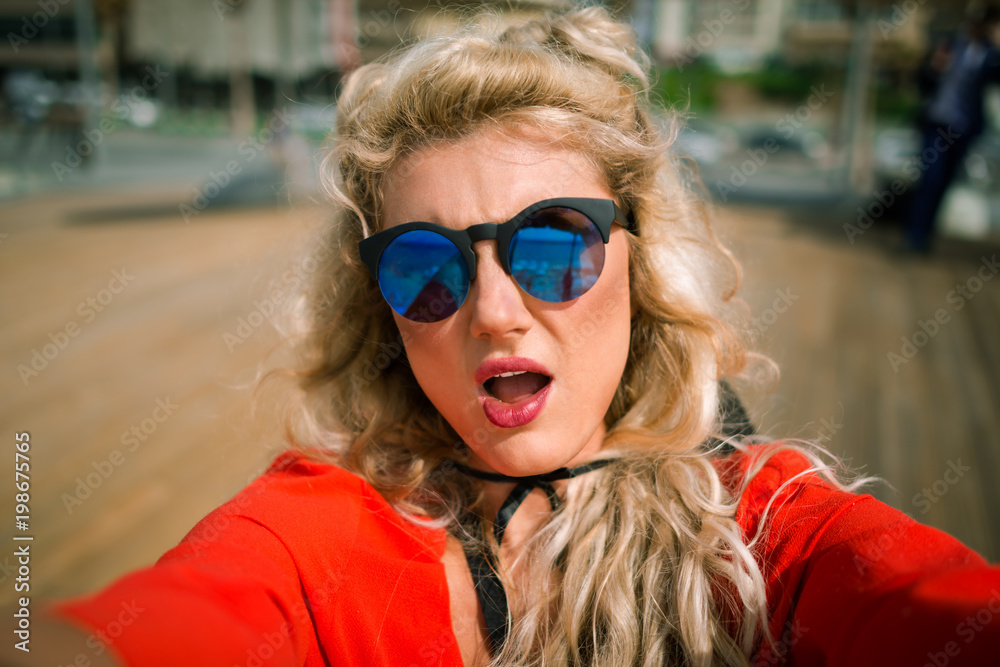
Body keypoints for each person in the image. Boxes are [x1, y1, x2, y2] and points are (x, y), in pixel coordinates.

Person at [31, 6, 1000, 666]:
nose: (495, 310)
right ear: (380, 307)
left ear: (639, 263)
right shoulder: (321, 531)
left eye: (554, 247)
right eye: (424, 266)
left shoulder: (760, 532)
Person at [904, 5, 1000, 253]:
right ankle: (914, 236)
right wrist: (934, 69)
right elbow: (922, 83)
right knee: (930, 178)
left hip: (963, 129)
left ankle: (924, 235)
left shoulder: (991, 54)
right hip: (936, 123)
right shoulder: (947, 45)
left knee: (943, 182)